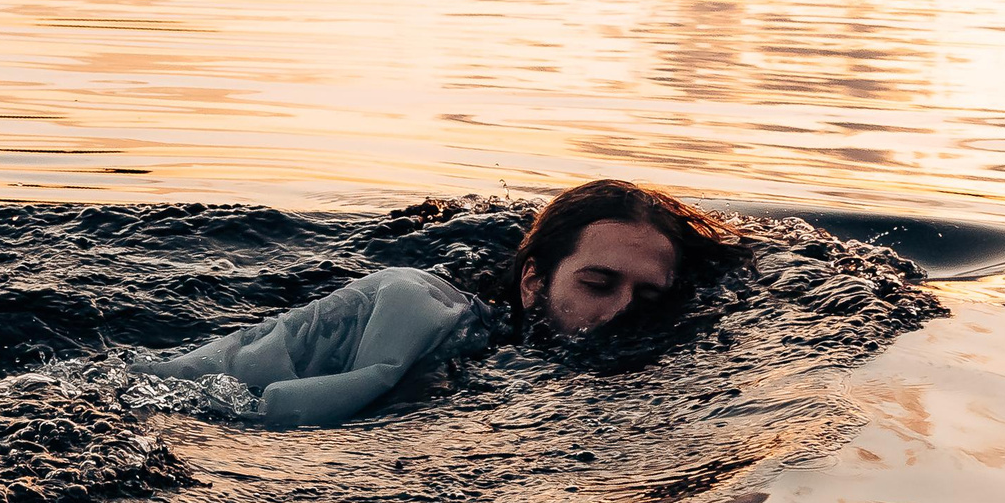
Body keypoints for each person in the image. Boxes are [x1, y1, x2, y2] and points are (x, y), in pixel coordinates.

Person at [131, 180, 745, 427]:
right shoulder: (418, 308)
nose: (618, 310)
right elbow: (263, 422)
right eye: (597, 283)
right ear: (533, 281)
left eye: (647, 294)